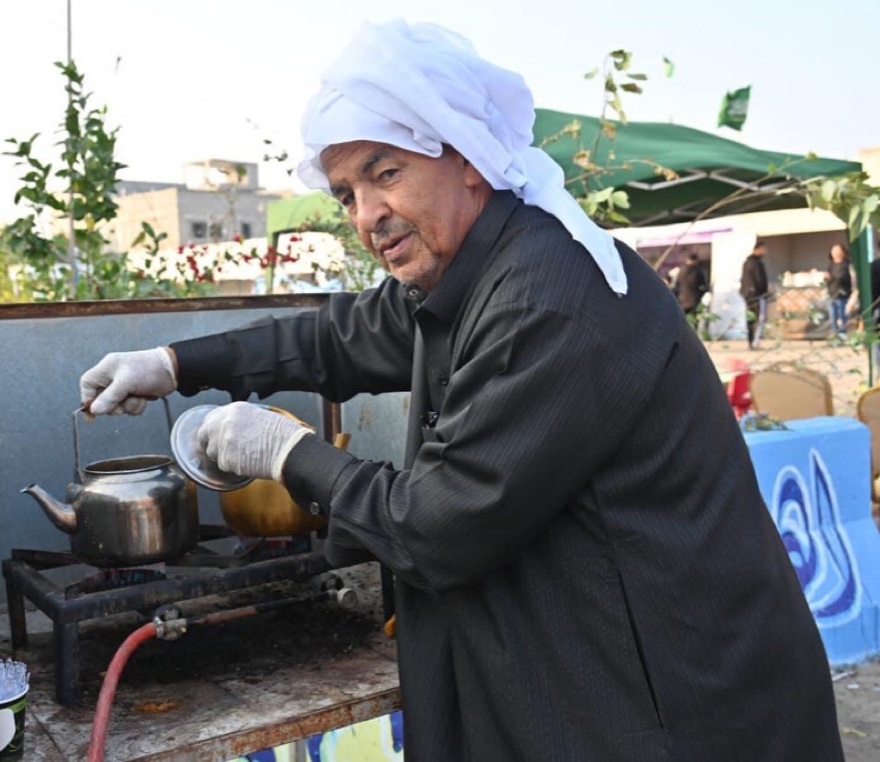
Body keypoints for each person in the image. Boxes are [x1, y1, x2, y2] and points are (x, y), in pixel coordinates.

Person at [80, 21, 841, 761]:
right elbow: (336, 338)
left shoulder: (549, 294)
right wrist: (174, 362)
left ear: (469, 158)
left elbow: (436, 527)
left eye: (386, 173)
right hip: (588, 662)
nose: (367, 216)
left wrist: (287, 452)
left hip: (670, 700)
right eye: (346, 194)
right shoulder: (468, 270)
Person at [740, 240, 769, 349]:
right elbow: (759, 280)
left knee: (751, 318)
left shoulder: (747, 262)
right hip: (756, 295)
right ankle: (754, 341)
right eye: (764, 249)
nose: (765, 252)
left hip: (748, 294)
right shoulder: (755, 263)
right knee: (758, 318)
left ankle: (751, 341)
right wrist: (764, 291)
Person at [826, 242, 854, 339]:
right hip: (831, 293)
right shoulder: (831, 265)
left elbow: (850, 277)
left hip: (843, 293)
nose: (835, 252)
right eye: (833, 250)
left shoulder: (847, 264)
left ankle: (842, 333)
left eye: (837, 250)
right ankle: (835, 332)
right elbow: (828, 277)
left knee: (842, 315)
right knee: (832, 315)